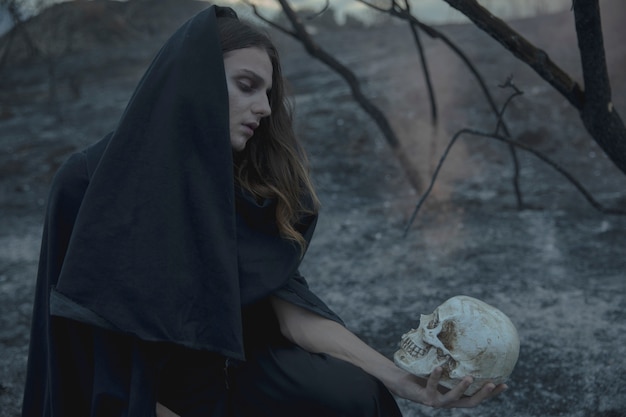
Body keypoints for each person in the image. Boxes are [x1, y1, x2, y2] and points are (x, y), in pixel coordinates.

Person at [21, 5, 506, 417]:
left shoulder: (242, 184)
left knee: (357, 397)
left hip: (228, 373)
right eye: (247, 85)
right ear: (194, 78)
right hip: (130, 392)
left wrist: (400, 379)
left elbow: (291, 312)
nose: (266, 109)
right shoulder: (87, 181)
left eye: (267, 94)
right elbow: (76, 350)